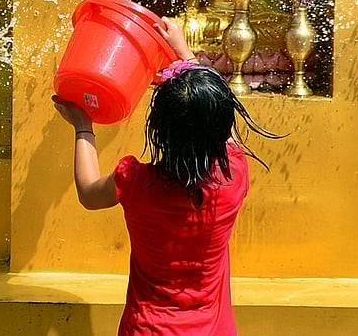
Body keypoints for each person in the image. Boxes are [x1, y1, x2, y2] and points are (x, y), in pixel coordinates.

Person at [51, 17, 278, 335]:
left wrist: (83, 126)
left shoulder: (135, 181)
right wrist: (183, 51)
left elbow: (88, 192)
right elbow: (217, 117)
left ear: (158, 130)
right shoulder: (234, 175)